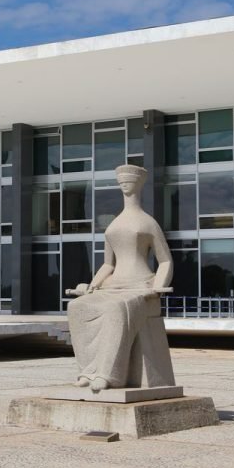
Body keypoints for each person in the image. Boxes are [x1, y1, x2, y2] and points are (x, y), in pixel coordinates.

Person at [66, 164, 173, 391]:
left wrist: (157, 287)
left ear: (139, 184)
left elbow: (165, 261)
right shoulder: (114, 224)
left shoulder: (148, 222)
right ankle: (88, 370)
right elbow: (108, 264)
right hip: (113, 286)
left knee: (115, 310)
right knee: (77, 307)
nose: (124, 184)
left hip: (141, 287)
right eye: (121, 181)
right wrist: (92, 286)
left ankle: (107, 375)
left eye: (130, 181)